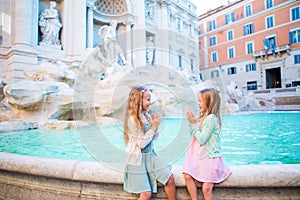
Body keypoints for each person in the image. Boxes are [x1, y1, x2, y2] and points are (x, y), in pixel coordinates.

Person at [123, 86, 176, 200]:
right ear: (138, 101)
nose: (150, 102)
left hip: (150, 156)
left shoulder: (145, 116)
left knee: (169, 178)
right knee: (146, 194)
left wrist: (155, 128)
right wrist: (153, 128)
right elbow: (141, 143)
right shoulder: (132, 120)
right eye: (147, 99)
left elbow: (153, 138)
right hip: (137, 160)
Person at [183, 88, 231, 200]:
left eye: (200, 101)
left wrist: (194, 125)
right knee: (187, 175)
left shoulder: (211, 119)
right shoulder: (203, 117)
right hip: (203, 157)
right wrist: (192, 123)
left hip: (211, 159)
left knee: (206, 189)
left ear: (209, 103)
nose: (198, 103)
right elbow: (194, 134)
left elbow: (202, 139)